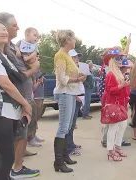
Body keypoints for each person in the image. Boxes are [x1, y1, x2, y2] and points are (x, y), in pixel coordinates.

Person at [0, 19, 33, 180]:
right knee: (8, 157)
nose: (3, 31)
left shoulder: (3, 55)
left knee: (0, 155)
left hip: (10, 111)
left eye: (4, 29)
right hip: (0, 110)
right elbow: (6, 84)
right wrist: (25, 104)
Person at [0, 12, 41, 178]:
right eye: (14, 25)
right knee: (14, 141)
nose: (18, 28)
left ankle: (16, 168)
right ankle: (17, 169)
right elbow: (16, 76)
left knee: (21, 136)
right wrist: (33, 70)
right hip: (17, 100)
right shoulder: (0, 51)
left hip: (22, 97)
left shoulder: (13, 47)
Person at [53, 29, 87, 173]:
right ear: (67, 40)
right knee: (63, 126)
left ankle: (65, 156)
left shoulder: (66, 55)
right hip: (65, 93)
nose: (75, 40)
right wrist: (77, 79)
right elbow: (62, 79)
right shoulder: (60, 55)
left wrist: (79, 75)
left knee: (67, 127)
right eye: (73, 38)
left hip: (71, 93)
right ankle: (58, 162)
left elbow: (69, 74)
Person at [102, 50, 130, 162]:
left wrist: (125, 88)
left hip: (122, 105)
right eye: (118, 59)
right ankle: (110, 150)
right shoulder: (111, 74)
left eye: (120, 58)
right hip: (114, 104)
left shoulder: (119, 73)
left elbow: (124, 90)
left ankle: (117, 146)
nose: (121, 60)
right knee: (113, 128)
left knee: (123, 125)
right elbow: (109, 90)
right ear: (112, 61)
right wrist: (122, 85)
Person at [66, 49, 84, 156]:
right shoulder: (68, 70)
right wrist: (76, 96)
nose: (77, 58)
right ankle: (68, 148)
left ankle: (71, 144)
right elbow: (68, 85)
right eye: (74, 57)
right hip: (73, 98)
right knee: (69, 125)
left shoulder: (76, 69)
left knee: (72, 125)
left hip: (78, 99)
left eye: (77, 57)